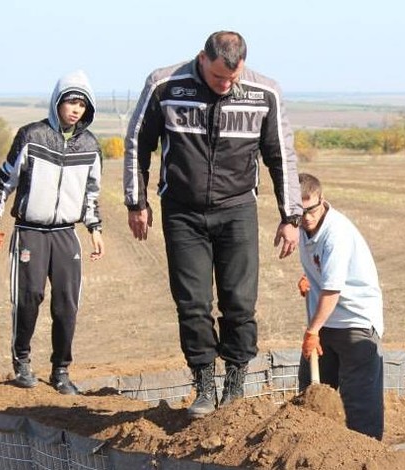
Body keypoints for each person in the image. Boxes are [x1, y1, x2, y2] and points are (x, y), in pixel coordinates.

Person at [123, 31, 302, 418]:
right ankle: (204, 383)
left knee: (239, 302)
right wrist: (136, 202)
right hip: (182, 211)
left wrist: (291, 216)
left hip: (237, 209)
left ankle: (235, 382)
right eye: (219, 78)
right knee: (192, 304)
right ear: (202, 58)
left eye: (232, 79)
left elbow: (280, 155)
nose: (226, 86)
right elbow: (138, 143)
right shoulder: (164, 85)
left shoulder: (263, 92)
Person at [0, 70, 104, 395]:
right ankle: (22, 360)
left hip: (65, 233)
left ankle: (61, 370)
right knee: (30, 296)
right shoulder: (32, 136)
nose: (76, 109)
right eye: (70, 101)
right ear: (57, 102)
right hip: (30, 231)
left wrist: (94, 227)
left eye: (82, 103)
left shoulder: (91, 145)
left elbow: (92, 191)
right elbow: (3, 180)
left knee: (66, 303)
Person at [296, 173, 385, 440]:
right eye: (299, 212)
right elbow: (322, 268)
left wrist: (313, 330)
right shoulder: (301, 225)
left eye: (311, 209)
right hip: (327, 321)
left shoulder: (337, 232)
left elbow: (333, 289)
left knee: (359, 402)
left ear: (322, 199)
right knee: (311, 393)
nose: (306, 217)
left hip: (355, 321)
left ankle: (365, 457)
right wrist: (310, 274)